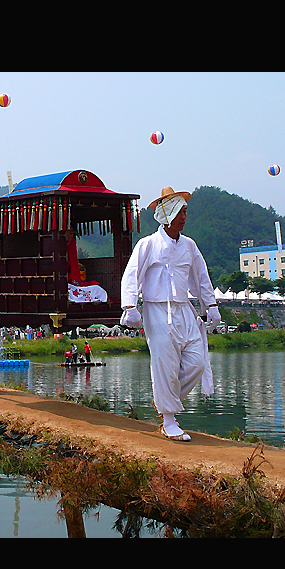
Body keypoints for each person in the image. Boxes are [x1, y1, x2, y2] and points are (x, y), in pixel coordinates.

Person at [120, 187, 220, 442]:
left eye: (185, 211)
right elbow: (132, 274)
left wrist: (211, 305)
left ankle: (165, 400)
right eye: (179, 212)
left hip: (184, 309)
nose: (184, 217)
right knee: (165, 364)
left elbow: (201, 276)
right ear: (166, 215)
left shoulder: (189, 245)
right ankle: (168, 420)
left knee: (197, 362)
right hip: (157, 310)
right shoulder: (148, 244)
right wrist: (130, 307)